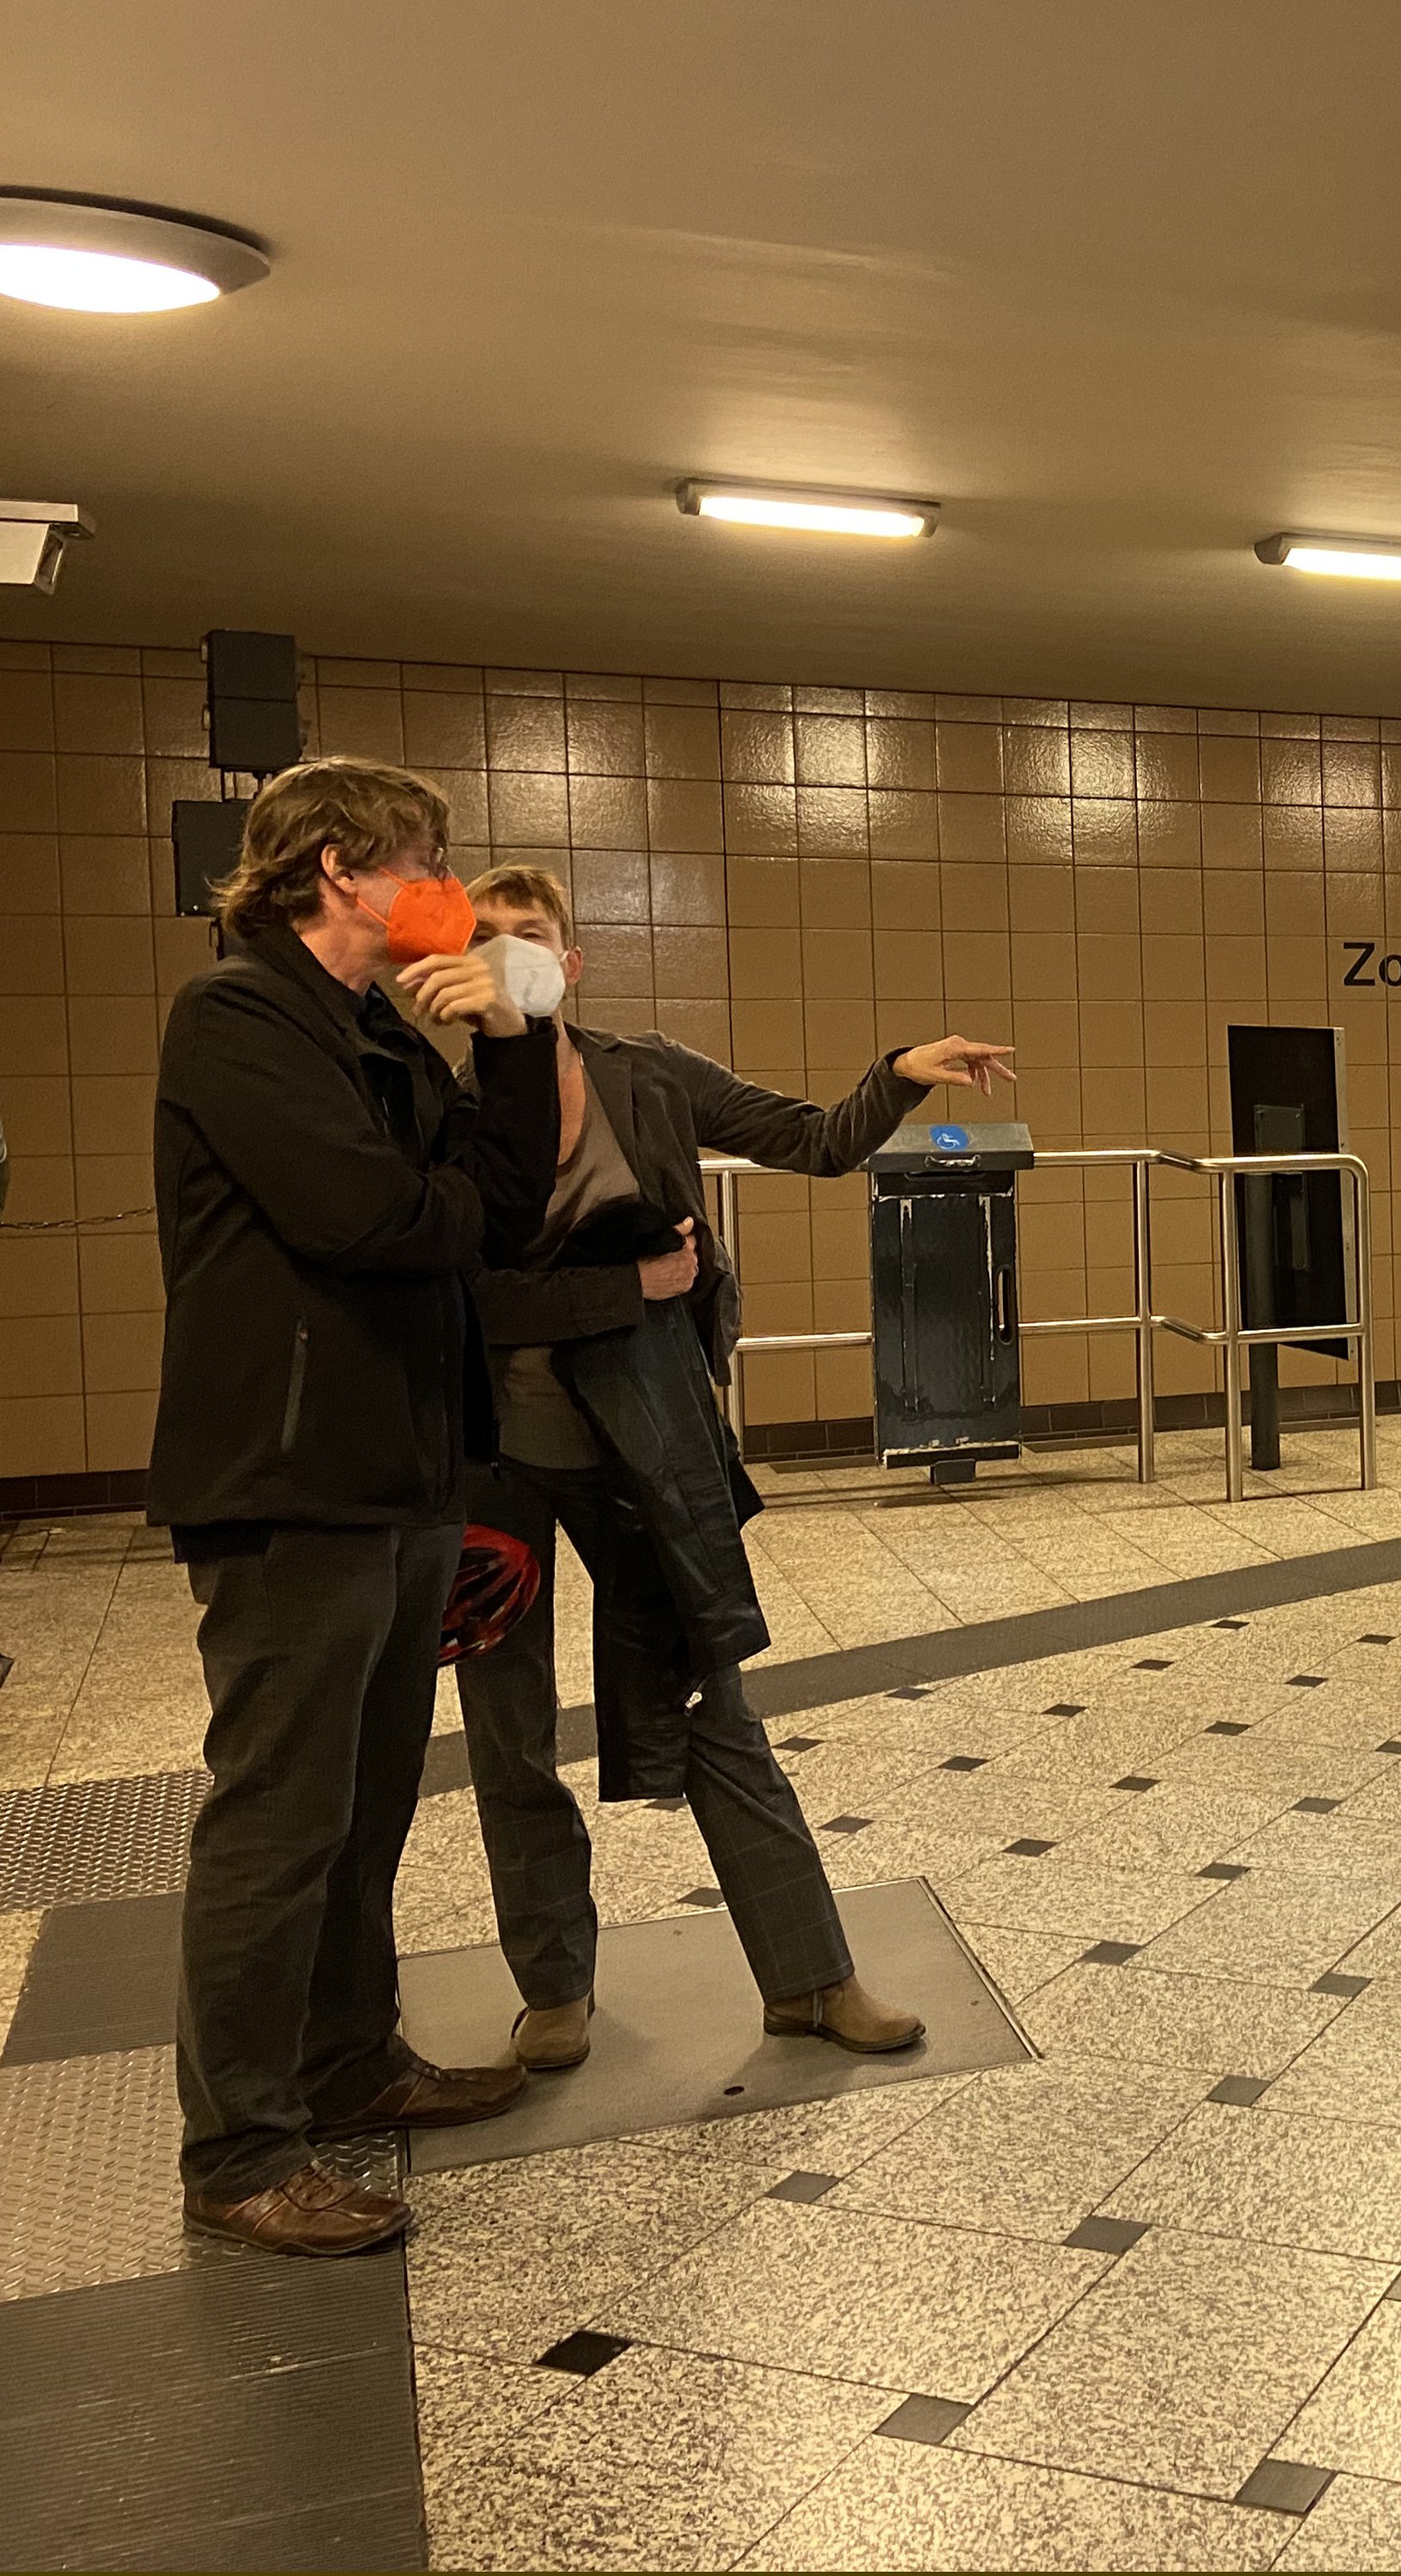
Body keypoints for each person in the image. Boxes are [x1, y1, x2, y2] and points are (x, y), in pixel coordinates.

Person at [448, 862, 1014, 2070]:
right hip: (493, 1453)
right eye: (484, 936)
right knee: (506, 1732)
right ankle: (554, 1988)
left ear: (569, 962)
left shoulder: (646, 1074)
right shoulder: (439, 1108)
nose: (508, 955)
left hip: (646, 1441)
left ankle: (810, 1978)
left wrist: (901, 1074)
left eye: (529, 935)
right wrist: (627, 1285)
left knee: (717, 1703)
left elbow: (810, 1141)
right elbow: (454, 1295)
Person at [152, 757, 560, 2258]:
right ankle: (241, 2151)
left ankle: (345, 2061)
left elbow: (504, 1210)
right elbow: (368, 1218)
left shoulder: (384, 1031)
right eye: (426, 861)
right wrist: (446, 1212)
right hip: (292, 1472)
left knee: (370, 1800)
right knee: (279, 1818)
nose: (445, 889)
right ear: (338, 865)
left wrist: (514, 1040)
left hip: (403, 1466)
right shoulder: (237, 1015)